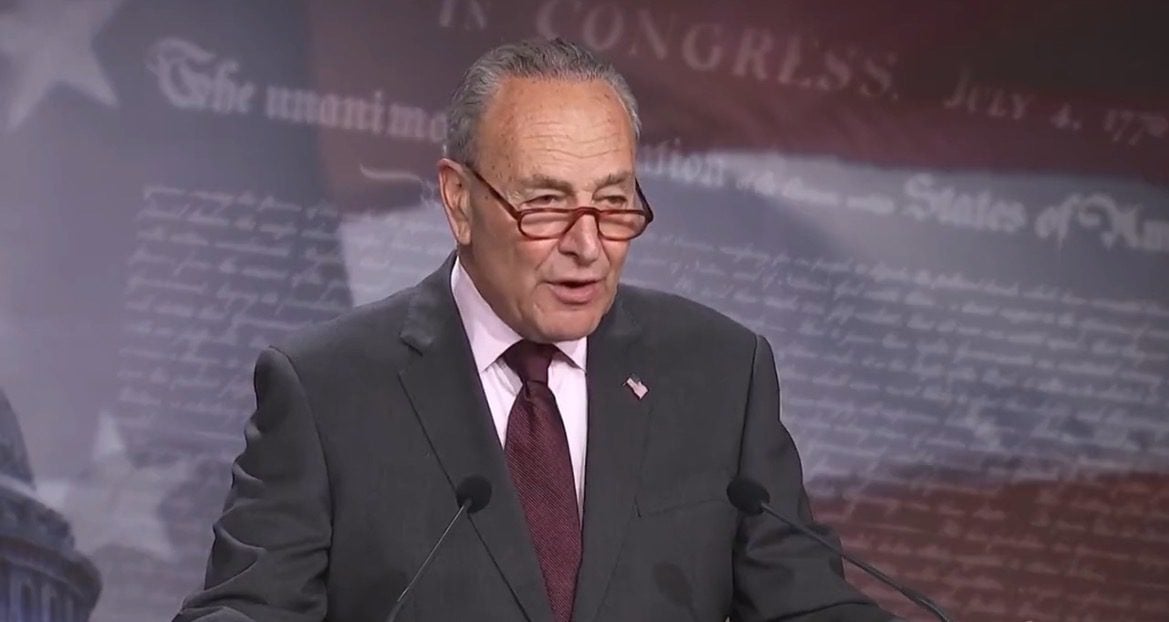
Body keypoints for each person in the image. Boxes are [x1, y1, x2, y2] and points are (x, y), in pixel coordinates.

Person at [175, 37, 898, 622]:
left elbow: (807, 605)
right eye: (546, 204)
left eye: (612, 202)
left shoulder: (719, 373)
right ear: (459, 201)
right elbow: (249, 607)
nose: (588, 245)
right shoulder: (327, 390)